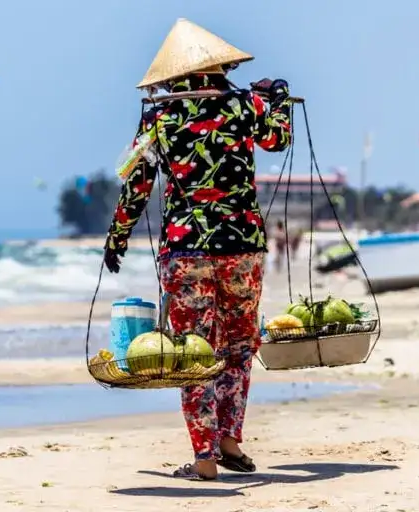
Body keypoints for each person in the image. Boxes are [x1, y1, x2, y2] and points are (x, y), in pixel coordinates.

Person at [102, 18, 293, 481]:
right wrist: (277, 100)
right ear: (221, 66)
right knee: (238, 346)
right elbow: (278, 139)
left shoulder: (159, 115)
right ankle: (229, 437)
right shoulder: (244, 105)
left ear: (172, 75)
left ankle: (205, 457)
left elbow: (138, 181)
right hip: (242, 248)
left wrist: (119, 234)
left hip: (185, 251)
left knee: (193, 349)